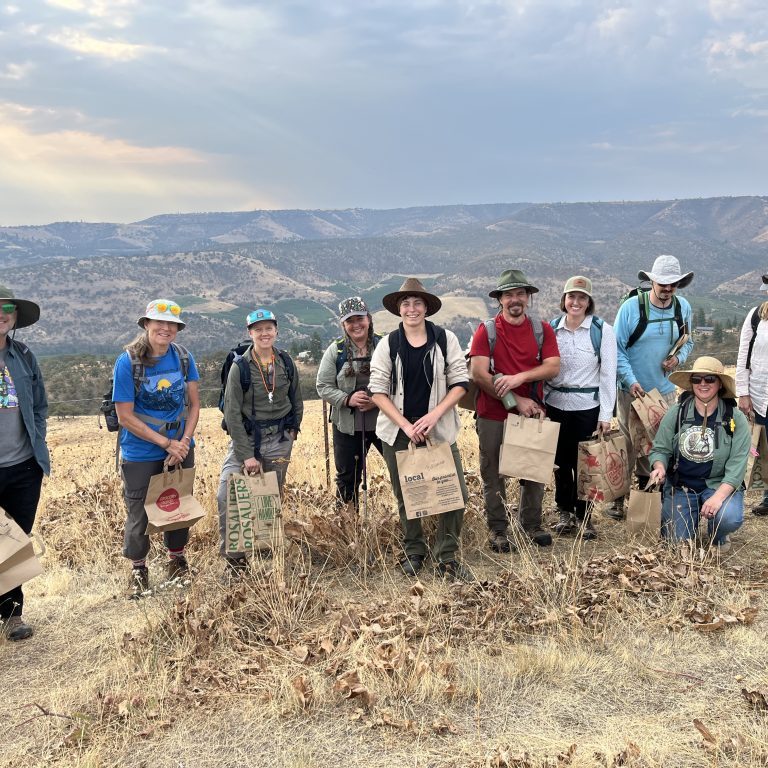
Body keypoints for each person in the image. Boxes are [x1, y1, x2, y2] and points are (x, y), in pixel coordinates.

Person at [368, 278, 471, 581]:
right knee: (408, 494)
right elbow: (376, 389)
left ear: (426, 307)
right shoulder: (389, 344)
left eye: (417, 303)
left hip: (438, 429)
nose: (411, 309)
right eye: (406, 304)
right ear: (399, 309)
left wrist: (434, 416)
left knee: (454, 494)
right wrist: (405, 424)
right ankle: (414, 551)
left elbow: (460, 382)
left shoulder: (444, 338)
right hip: (398, 432)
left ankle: (447, 555)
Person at [113, 299, 200, 596]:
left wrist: (184, 441)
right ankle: (138, 570)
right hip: (141, 452)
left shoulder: (184, 358)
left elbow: (195, 403)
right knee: (139, 512)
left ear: (177, 329)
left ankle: (176, 561)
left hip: (180, 446)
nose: (165, 328)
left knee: (178, 505)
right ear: (146, 325)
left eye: (171, 324)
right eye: (159, 322)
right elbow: (125, 415)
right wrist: (166, 443)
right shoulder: (128, 362)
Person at [469, 269, 560, 552]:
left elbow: (554, 366)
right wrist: (515, 399)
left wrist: (519, 379)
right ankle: (498, 530)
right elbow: (477, 373)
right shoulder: (488, 330)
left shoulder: (541, 329)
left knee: (533, 468)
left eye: (520, 294)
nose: (515, 300)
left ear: (528, 298)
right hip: (493, 413)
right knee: (493, 473)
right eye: (509, 295)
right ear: (500, 300)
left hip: (533, 411)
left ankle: (530, 524)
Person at [217, 309, 303, 573]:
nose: (264, 334)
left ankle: (267, 555)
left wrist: (293, 431)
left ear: (276, 330)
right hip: (247, 439)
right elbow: (231, 413)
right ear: (250, 333)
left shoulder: (285, 362)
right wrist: (246, 455)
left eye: (268, 328)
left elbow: (296, 399)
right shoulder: (240, 367)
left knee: (269, 498)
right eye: (258, 329)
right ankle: (235, 560)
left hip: (279, 438)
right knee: (228, 494)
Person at [610, 255, 694, 519]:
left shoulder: (683, 308)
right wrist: (630, 381)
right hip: (630, 390)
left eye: (673, 284)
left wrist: (678, 359)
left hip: (664, 392)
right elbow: (617, 349)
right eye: (663, 283)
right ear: (652, 281)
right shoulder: (631, 308)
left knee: (656, 447)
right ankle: (617, 500)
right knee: (627, 446)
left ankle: (647, 498)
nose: (668, 289)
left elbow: (688, 341)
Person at [648, 357, 750, 552]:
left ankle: (718, 534)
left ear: (720, 384)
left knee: (728, 518)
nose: (703, 384)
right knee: (676, 545)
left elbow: (737, 466)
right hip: (682, 486)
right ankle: (688, 521)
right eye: (697, 379)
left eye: (710, 379)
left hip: (717, 484)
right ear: (692, 383)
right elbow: (660, 448)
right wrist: (659, 468)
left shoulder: (735, 418)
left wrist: (718, 497)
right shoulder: (676, 413)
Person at [545, 276, 617, 540]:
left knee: (586, 464)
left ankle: (584, 516)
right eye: (571, 297)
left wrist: (606, 414)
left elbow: (609, 374)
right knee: (560, 462)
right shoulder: (552, 329)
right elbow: (543, 369)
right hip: (555, 405)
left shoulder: (602, 331)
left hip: (587, 407)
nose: (576, 302)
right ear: (564, 300)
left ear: (589, 302)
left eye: (582, 298)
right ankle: (564, 511)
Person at [0, 296, 48, 641]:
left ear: (14, 316)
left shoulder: (24, 356)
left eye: (6, 309)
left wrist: (37, 445)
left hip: (23, 467)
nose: (1, 316)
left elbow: (40, 404)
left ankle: (11, 615)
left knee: (13, 542)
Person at [316, 297, 382, 511]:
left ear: (369, 319)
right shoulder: (336, 351)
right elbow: (323, 386)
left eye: (360, 318)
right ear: (343, 324)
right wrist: (347, 399)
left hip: (385, 423)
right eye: (349, 320)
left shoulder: (385, 345)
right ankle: (347, 528)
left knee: (401, 469)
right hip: (347, 426)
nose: (356, 325)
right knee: (347, 478)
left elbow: (400, 380)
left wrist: (377, 399)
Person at [735, 273, 768, 515]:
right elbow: (743, 356)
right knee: (765, 449)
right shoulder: (757, 317)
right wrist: (743, 393)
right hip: (761, 393)